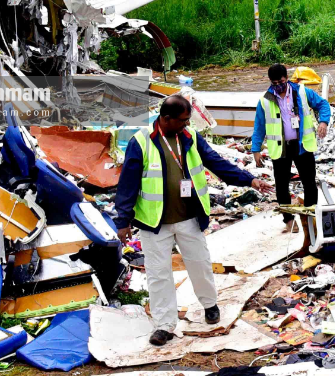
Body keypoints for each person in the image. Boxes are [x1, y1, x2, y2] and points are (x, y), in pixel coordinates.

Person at [114, 95, 271, 346]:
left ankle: (210, 305)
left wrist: (249, 179)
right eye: (183, 120)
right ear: (166, 118)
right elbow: (127, 184)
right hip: (154, 223)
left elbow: (216, 163)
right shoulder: (141, 142)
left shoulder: (189, 138)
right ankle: (164, 325)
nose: (187, 124)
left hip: (189, 218)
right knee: (158, 274)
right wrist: (123, 221)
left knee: (200, 264)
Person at [252, 64, 331, 233]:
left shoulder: (302, 92)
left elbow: (323, 105)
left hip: (302, 145)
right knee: (281, 186)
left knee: (309, 183)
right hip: (280, 147)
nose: (278, 86)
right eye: (274, 83)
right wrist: (256, 149)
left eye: (281, 82)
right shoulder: (265, 100)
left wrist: (323, 122)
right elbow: (259, 126)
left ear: (287, 79)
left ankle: (311, 219)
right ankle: (289, 221)